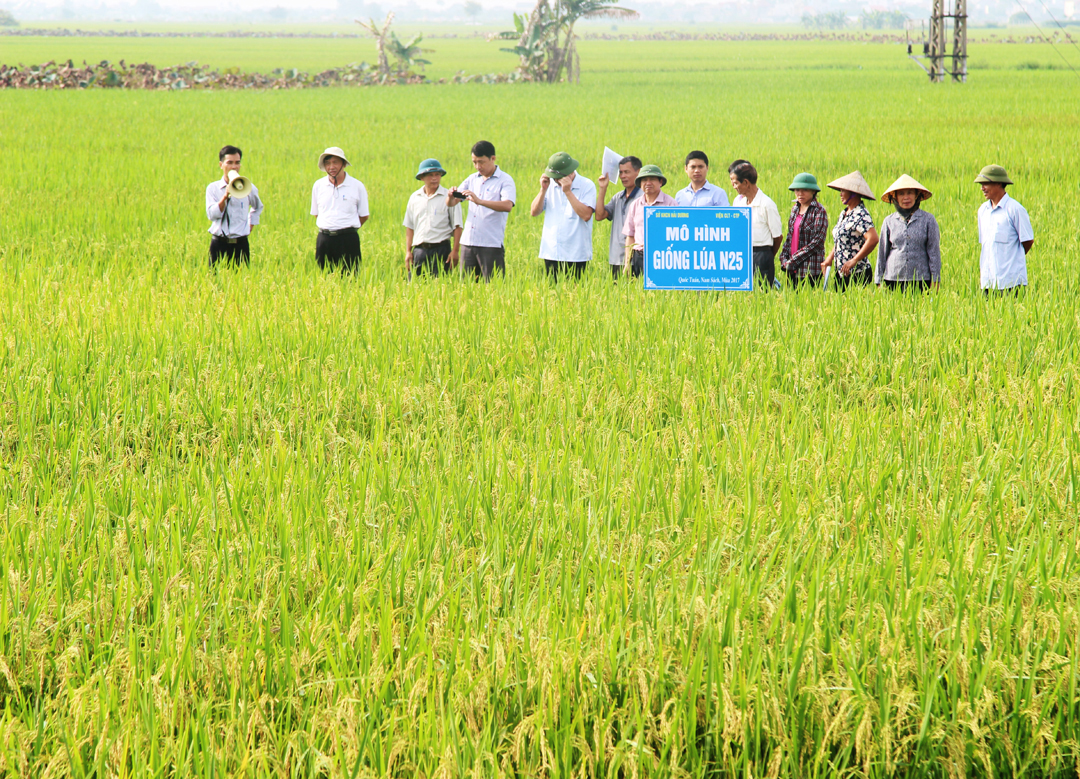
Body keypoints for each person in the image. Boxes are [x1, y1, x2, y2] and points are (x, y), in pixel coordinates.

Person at [448, 140, 516, 282]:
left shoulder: (505, 180)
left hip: (490, 244)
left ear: (493, 158)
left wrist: (480, 201)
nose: (478, 166)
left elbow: (507, 205)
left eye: (481, 162)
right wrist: (450, 196)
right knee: (466, 287)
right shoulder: (472, 179)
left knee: (493, 287)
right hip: (468, 243)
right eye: (474, 162)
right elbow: (452, 203)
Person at [530, 151, 596, 281]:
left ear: (570, 172)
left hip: (577, 254)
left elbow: (586, 215)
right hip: (551, 252)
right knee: (551, 290)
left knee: (576, 290)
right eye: (554, 177)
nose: (556, 180)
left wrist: (568, 192)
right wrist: (543, 189)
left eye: (558, 178)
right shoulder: (550, 185)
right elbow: (534, 212)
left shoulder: (586, 185)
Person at [975, 164, 1034, 293]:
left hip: (1011, 282)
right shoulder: (982, 211)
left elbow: (1028, 241)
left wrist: (1012, 257)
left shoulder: (1015, 209)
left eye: (986, 183)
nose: (982, 188)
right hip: (988, 282)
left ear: (998, 183)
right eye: (981, 184)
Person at [877, 175, 941, 292]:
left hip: (921, 279)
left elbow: (934, 253)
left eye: (910, 193)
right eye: (901, 194)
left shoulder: (928, 220)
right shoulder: (889, 221)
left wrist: (936, 280)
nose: (906, 197)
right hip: (893, 279)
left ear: (916, 195)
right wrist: (878, 280)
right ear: (895, 197)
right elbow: (882, 252)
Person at [310, 146, 369, 272]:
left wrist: (346, 227)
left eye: (335, 162)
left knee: (351, 277)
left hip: (348, 240)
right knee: (323, 277)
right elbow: (317, 214)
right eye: (327, 163)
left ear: (344, 164)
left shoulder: (357, 186)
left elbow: (364, 215)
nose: (331, 167)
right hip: (324, 239)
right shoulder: (318, 186)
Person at [205, 144, 263, 268]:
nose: (234, 167)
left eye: (237, 162)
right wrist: (225, 196)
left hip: (240, 244)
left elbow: (258, 207)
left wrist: (250, 225)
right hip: (218, 243)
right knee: (213, 277)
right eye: (229, 162)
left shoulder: (248, 187)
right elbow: (211, 215)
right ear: (221, 165)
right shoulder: (213, 188)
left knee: (242, 278)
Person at [403, 158, 463, 278]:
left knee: (441, 285)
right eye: (430, 175)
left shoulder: (449, 197)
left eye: (437, 174)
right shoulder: (415, 198)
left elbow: (457, 226)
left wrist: (455, 251)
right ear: (422, 177)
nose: (434, 178)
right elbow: (410, 227)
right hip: (419, 251)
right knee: (415, 285)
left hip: (441, 250)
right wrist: (408, 251)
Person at [821, 171, 879, 290]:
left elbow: (873, 239)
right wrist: (829, 259)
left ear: (853, 193)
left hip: (858, 273)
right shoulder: (844, 213)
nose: (840, 194)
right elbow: (840, 240)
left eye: (843, 191)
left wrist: (854, 260)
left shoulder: (861, 214)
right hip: (841, 272)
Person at [729, 161, 782, 288]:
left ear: (746, 182)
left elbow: (778, 237)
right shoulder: (740, 204)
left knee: (762, 293)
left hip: (762, 255)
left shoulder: (766, 204)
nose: (734, 186)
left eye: (735, 183)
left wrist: (767, 256)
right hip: (742, 255)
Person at [622, 165, 678, 278]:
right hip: (638, 256)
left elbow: (676, 234)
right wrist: (627, 263)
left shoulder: (670, 204)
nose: (648, 183)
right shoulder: (635, 205)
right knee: (638, 287)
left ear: (660, 182)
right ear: (640, 184)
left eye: (652, 179)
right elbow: (630, 235)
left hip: (663, 256)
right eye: (644, 180)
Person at [596, 156, 642, 280]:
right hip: (616, 257)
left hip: (637, 258)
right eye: (621, 172)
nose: (623, 176)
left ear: (638, 172)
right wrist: (603, 188)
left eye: (627, 172)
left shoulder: (643, 198)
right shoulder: (618, 198)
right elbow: (599, 215)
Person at [778, 173, 828, 288]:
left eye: (805, 190)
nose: (800, 193)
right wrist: (784, 258)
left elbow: (817, 242)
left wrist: (793, 260)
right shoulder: (795, 209)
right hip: (792, 269)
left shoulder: (819, 211)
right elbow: (790, 236)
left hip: (809, 269)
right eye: (797, 190)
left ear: (813, 191)